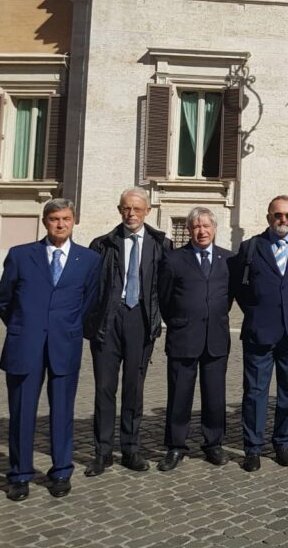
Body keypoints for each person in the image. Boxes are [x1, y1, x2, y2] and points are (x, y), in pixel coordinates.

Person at [0, 199, 101, 501]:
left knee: (63, 411)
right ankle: (19, 474)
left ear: (74, 221)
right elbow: (4, 300)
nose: (60, 224)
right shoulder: (20, 255)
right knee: (21, 413)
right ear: (45, 221)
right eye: (54, 218)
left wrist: (66, 328)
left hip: (64, 344)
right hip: (24, 344)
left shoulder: (89, 260)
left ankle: (61, 470)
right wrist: (24, 325)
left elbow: (89, 303)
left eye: (66, 218)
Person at [84, 187, 173, 476]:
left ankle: (131, 448)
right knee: (104, 388)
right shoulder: (102, 244)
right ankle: (103, 450)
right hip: (109, 321)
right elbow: (89, 288)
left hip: (141, 321)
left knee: (134, 388)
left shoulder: (162, 245)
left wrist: (161, 320)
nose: (131, 213)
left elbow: (167, 288)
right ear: (119, 210)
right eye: (126, 208)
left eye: (136, 209)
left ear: (148, 211)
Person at [231, 196, 288, 472]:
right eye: (278, 215)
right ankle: (252, 448)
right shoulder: (251, 247)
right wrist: (256, 311)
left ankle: (284, 443)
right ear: (268, 217)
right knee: (255, 392)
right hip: (259, 331)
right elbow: (238, 287)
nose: (283, 220)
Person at [155, 207, 235, 471]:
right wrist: (181, 320)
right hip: (183, 337)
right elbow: (165, 298)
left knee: (215, 395)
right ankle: (176, 446)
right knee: (179, 395)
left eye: (206, 226)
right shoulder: (174, 259)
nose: (202, 231)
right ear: (189, 230)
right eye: (196, 226)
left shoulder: (227, 259)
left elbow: (229, 297)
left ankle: (213, 444)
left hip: (215, 338)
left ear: (214, 228)